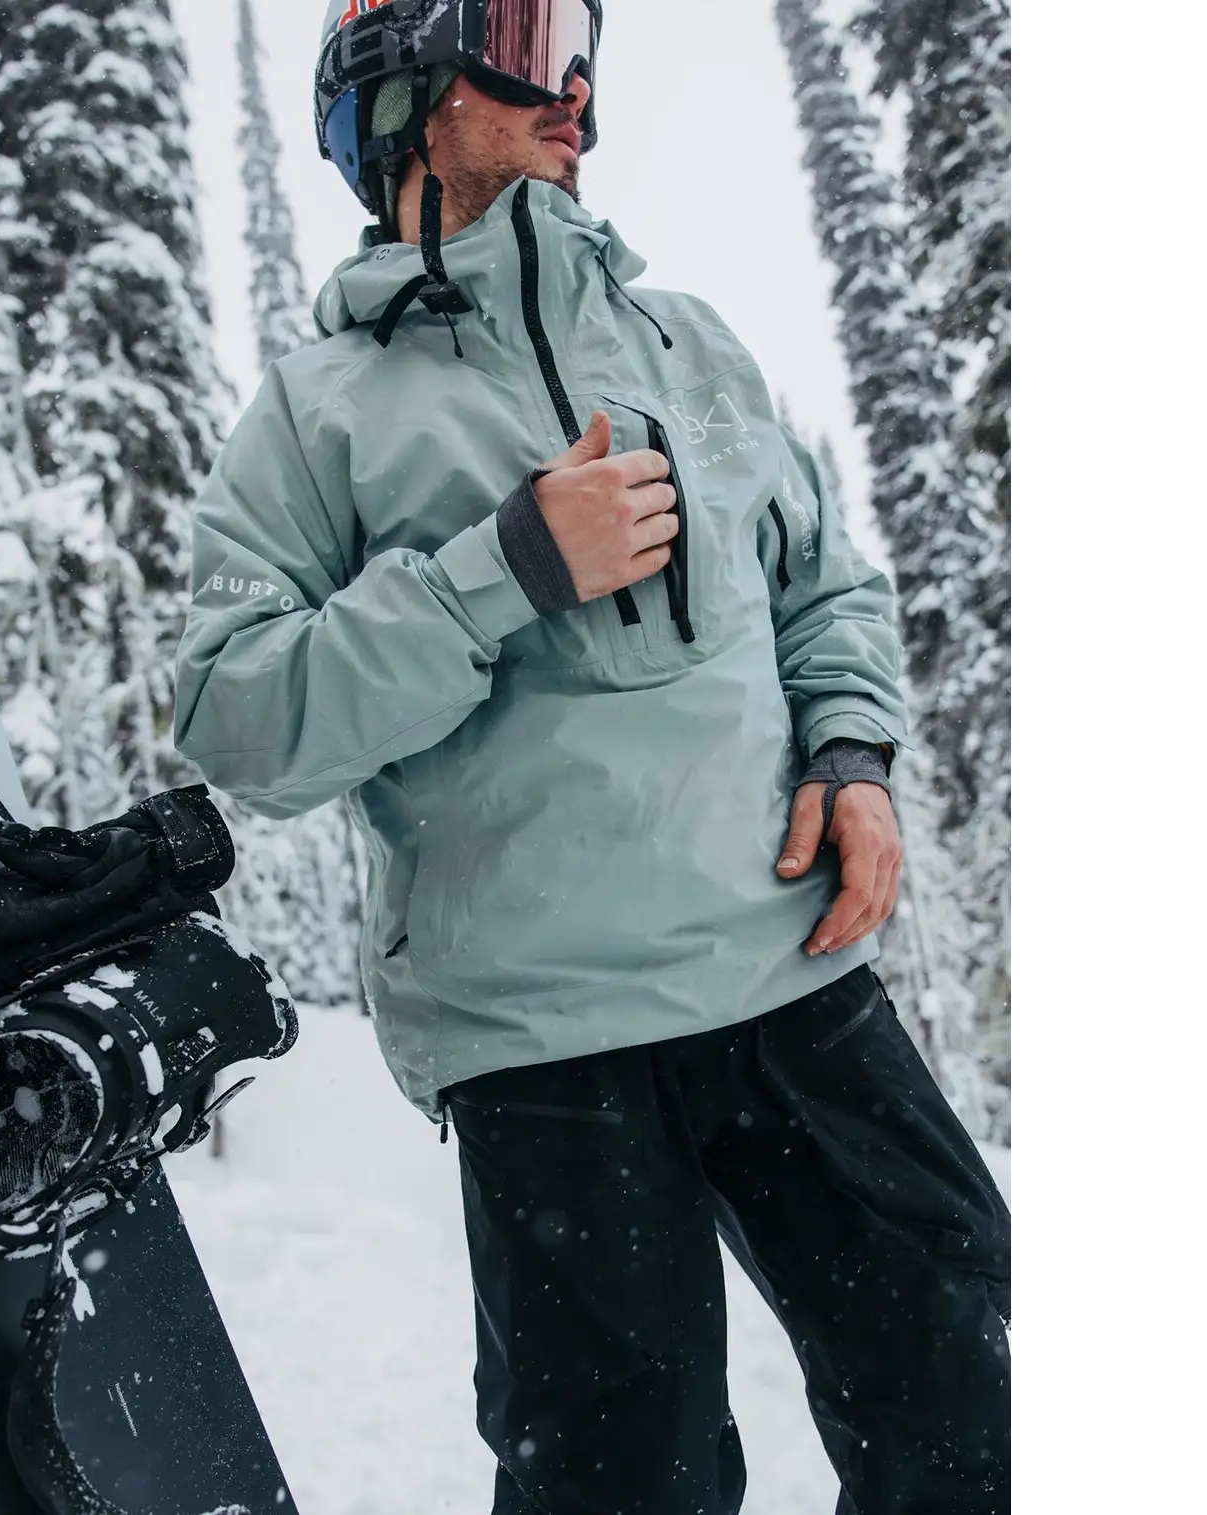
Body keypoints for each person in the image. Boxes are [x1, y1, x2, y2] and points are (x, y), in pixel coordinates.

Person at [173, 3, 1012, 1511]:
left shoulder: (687, 342)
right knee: (622, 1480)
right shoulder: (316, 415)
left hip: (791, 973)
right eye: (519, 31)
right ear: (401, 90)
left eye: (579, 42)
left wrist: (852, 749)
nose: (568, 82)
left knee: (970, 1406)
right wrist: (496, 571)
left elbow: (826, 588)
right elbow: (241, 721)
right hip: (543, 1036)